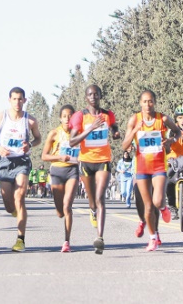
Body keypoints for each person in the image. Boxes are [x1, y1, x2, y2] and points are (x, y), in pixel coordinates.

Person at [0, 87, 41, 252]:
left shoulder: (30, 121)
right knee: (9, 204)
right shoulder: (1, 117)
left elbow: (38, 139)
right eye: (14, 99)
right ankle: (13, 210)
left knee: (20, 197)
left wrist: (29, 144)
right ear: (9, 100)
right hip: (5, 162)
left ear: (25, 100)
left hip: (22, 161)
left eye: (20, 99)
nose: (17, 102)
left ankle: (20, 240)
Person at [122, 90, 180, 252]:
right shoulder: (135, 119)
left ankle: (163, 208)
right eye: (145, 102)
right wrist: (135, 130)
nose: (148, 105)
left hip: (159, 166)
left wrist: (170, 141)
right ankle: (153, 238)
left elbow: (177, 132)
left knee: (157, 201)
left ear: (155, 102)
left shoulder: (163, 119)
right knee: (147, 206)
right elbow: (124, 146)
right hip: (141, 167)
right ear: (140, 103)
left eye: (151, 101)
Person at [69, 85, 122, 254]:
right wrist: (90, 128)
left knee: (100, 198)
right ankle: (92, 210)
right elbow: (72, 141)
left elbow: (113, 126)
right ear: (86, 98)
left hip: (103, 160)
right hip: (86, 162)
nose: (93, 96)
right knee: (92, 201)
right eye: (90, 94)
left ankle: (100, 238)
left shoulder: (107, 114)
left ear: (100, 96)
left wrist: (115, 133)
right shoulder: (80, 116)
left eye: (96, 94)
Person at [41, 104, 79, 252]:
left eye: (70, 116)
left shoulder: (78, 133)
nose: (67, 119)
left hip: (72, 171)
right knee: (59, 212)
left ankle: (66, 242)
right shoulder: (54, 134)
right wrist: (60, 157)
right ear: (60, 118)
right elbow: (44, 156)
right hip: (57, 171)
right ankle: (61, 212)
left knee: (67, 206)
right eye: (64, 116)